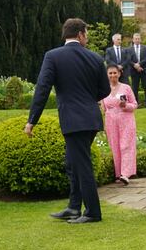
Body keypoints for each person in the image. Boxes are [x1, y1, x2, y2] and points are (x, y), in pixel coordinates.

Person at [25, 18, 110, 223]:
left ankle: (92, 212)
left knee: (81, 165)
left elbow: (42, 89)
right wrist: (88, 101)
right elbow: (105, 90)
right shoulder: (95, 58)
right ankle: (73, 207)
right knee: (73, 163)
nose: (87, 38)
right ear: (80, 34)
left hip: (73, 119)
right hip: (90, 118)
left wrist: (32, 120)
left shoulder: (52, 56)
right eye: (86, 34)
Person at [101, 64, 137, 184]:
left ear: (119, 74)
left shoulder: (126, 88)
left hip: (126, 120)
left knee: (125, 145)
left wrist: (125, 106)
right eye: (110, 73)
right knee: (115, 147)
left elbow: (135, 104)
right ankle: (119, 174)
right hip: (111, 121)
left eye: (115, 73)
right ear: (107, 75)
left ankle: (126, 174)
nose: (112, 75)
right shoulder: (104, 89)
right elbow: (103, 109)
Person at [129, 33, 146, 107]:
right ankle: (136, 104)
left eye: (138, 38)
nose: (137, 40)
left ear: (140, 39)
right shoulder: (129, 49)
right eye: (136, 39)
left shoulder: (145, 48)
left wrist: (139, 65)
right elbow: (128, 59)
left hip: (144, 70)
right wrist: (135, 65)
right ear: (133, 40)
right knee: (135, 88)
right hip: (134, 71)